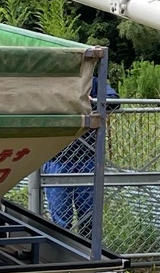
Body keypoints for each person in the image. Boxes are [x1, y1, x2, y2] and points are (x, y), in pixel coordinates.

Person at [43, 90, 117, 234]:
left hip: (87, 160)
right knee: (60, 216)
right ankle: (62, 251)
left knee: (89, 214)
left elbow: (114, 101)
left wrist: (92, 101)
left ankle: (88, 250)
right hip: (57, 159)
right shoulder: (56, 82)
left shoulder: (92, 83)